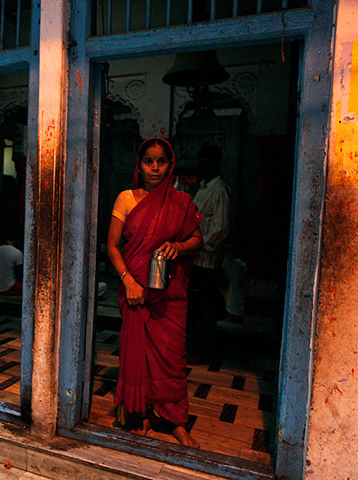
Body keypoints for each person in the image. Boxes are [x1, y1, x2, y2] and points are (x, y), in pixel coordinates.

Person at [106, 137, 204, 449]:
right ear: (140, 164)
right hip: (134, 291)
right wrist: (128, 281)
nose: (155, 167)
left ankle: (175, 419)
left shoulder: (182, 202)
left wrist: (179, 245)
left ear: (170, 164)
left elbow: (198, 239)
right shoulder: (126, 198)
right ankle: (142, 413)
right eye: (149, 160)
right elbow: (111, 245)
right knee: (138, 354)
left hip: (168, 295)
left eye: (161, 161)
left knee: (172, 357)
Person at [187, 144, 231, 363]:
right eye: (200, 161)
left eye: (206, 162)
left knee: (206, 305)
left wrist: (199, 244)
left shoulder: (219, 190)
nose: (201, 166)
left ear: (216, 163)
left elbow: (221, 228)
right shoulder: (202, 188)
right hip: (195, 259)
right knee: (195, 302)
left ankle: (202, 350)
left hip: (207, 259)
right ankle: (194, 346)